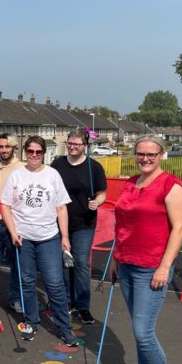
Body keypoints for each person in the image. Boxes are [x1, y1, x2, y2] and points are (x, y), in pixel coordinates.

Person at [110, 135, 182, 364]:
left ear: (161, 155)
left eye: (151, 154)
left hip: (152, 267)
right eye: (140, 154)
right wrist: (117, 257)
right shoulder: (131, 182)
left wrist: (165, 266)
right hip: (127, 263)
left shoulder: (170, 186)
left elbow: (179, 229)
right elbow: (123, 223)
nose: (145, 158)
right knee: (137, 328)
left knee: (144, 332)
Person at [0, 136, 78, 346]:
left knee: (54, 283)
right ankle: (31, 321)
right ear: (25, 152)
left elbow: (61, 208)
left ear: (44, 153)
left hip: (48, 238)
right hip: (23, 239)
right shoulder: (16, 176)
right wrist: (13, 231)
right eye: (31, 151)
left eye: (39, 152)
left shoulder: (52, 175)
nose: (34, 155)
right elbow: (5, 205)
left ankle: (64, 327)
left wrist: (65, 237)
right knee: (26, 282)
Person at [51, 129, 108, 325]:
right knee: (64, 263)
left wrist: (97, 202)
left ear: (85, 146)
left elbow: (102, 193)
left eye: (76, 144)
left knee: (81, 263)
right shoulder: (57, 165)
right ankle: (67, 301)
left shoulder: (94, 167)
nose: (72, 147)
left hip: (84, 223)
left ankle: (82, 306)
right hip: (59, 222)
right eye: (70, 143)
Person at [0, 133, 24, 317]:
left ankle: (15, 298)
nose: (4, 150)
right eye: (1, 147)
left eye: (7, 147)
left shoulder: (22, 168)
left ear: (14, 147)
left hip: (15, 223)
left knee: (16, 263)